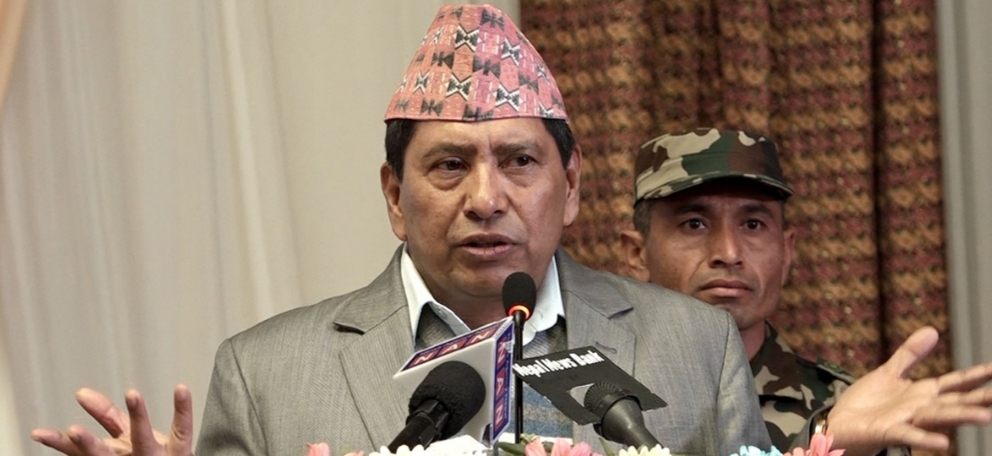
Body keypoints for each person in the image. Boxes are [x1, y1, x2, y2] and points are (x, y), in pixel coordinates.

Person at [31, 7, 772, 456]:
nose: (486, 199)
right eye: (450, 166)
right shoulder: (265, 377)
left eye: (519, 162)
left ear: (571, 185)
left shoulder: (694, 346)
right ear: (394, 195)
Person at [620, 128, 992, 456]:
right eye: (694, 224)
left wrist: (832, 441)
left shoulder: (847, 410)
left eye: (753, 224)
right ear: (637, 254)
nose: (729, 253)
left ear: (786, 254)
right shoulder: (600, 395)